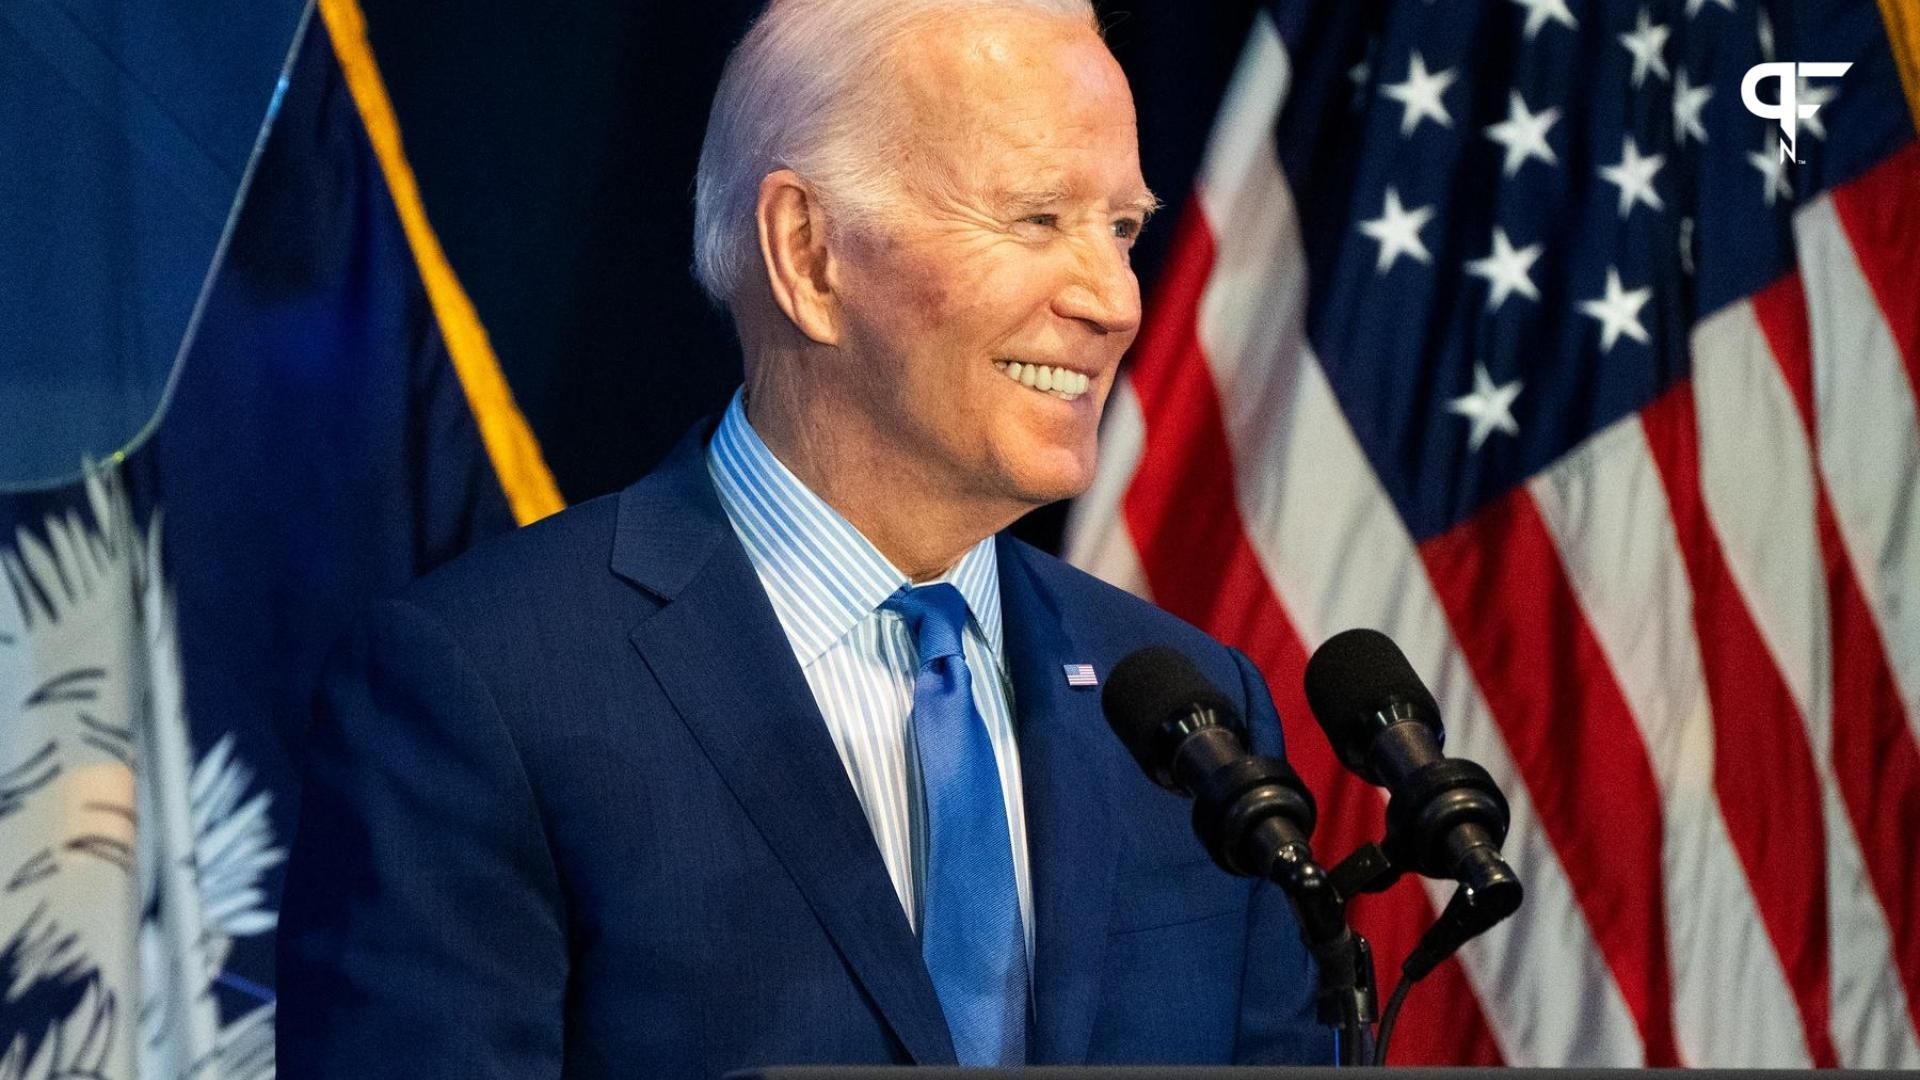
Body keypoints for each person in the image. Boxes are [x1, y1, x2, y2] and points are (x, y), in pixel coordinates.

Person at [275, 0, 1330, 1075]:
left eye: (1122, 229)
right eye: (1035, 219)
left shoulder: (1196, 713)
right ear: (809, 254)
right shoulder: (485, 690)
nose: (1114, 301)